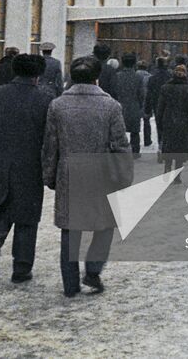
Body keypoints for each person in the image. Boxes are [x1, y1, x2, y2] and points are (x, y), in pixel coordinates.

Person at [41, 56, 130, 298]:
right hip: (101, 173)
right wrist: (123, 176)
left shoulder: (57, 105)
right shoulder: (111, 106)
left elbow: (51, 145)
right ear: (96, 77)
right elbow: (121, 145)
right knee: (105, 225)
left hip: (69, 172)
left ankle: (70, 284)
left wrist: (49, 176)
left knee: (70, 229)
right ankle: (92, 269)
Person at [0, 53, 54, 282]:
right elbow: (50, 137)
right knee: (27, 219)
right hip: (31, 166)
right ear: (38, 75)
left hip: (1, 163)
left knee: (2, 207)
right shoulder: (45, 99)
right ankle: (21, 268)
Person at [155, 65, 188, 173]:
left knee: (169, 146)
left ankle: (167, 168)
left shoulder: (165, 88)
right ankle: (177, 174)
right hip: (183, 121)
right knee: (180, 149)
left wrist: (159, 121)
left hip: (168, 119)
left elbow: (160, 107)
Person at [112, 54, 147, 156]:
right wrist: (140, 105)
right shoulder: (138, 77)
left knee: (118, 130)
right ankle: (135, 151)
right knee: (135, 131)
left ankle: (118, 150)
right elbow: (141, 94)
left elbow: (113, 91)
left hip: (119, 106)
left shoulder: (117, 76)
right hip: (134, 106)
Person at [144, 56, 171, 147]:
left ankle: (161, 143)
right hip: (169, 103)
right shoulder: (170, 76)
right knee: (168, 125)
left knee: (159, 124)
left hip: (157, 103)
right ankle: (166, 143)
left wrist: (147, 108)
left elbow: (149, 94)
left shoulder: (153, 78)